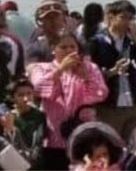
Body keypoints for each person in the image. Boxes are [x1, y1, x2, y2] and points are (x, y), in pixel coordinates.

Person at [28, 32, 108, 170]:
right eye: (63, 47)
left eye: (72, 46)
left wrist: (86, 77)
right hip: (53, 138)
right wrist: (60, 70)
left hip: (83, 136)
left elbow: (101, 94)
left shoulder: (90, 68)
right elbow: (39, 88)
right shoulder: (42, 68)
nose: (69, 50)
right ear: (53, 49)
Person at [88, 0, 136, 140]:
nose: (128, 22)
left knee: (135, 143)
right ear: (111, 17)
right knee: (111, 143)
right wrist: (112, 71)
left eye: (131, 18)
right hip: (109, 105)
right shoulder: (97, 42)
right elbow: (90, 74)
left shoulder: (131, 42)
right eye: (124, 17)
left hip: (133, 103)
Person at [6, 78, 45, 167]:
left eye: (29, 93)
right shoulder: (10, 117)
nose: (26, 98)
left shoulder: (39, 115)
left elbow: (40, 139)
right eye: (20, 95)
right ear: (12, 98)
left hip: (36, 160)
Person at [26, 0, 70, 65]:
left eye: (56, 17)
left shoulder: (73, 44)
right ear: (41, 22)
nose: (53, 21)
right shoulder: (36, 47)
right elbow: (33, 70)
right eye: (48, 18)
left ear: (63, 19)